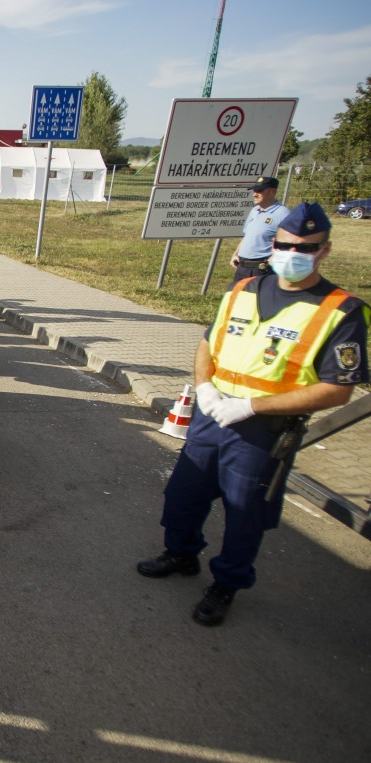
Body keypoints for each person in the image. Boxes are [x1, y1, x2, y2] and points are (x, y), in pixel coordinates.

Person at [137, 203, 368, 626]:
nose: (293, 252)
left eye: (306, 247)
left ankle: (226, 584)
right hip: (211, 416)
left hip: (263, 430)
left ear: (325, 250)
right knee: (183, 497)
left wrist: (249, 405)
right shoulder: (243, 289)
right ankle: (182, 554)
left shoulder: (340, 310)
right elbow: (208, 343)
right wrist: (204, 387)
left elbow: (338, 389)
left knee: (246, 516)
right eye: (284, 244)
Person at [229, 176, 289, 282]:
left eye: (260, 191)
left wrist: (274, 259)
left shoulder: (283, 214)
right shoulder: (255, 210)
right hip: (242, 268)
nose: (254, 194)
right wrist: (236, 253)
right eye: (254, 190)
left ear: (272, 191)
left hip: (261, 270)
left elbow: (291, 243)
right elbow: (247, 235)